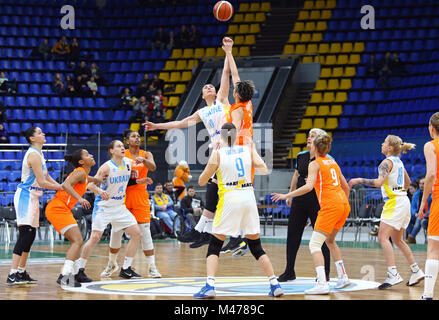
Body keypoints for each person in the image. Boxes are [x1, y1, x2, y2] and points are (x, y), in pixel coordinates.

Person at [143, 37, 233, 249]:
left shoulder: (222, 101)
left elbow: (226, 74)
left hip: (230, 148)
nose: (210, 87)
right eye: (206, 87)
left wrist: (228, 52)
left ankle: (224, 233)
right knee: (212, 190)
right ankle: (203, 231)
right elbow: (180, 123)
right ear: (202, 96)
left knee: (223, 192)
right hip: (217, 153)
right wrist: (157, 126)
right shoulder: (203, 112)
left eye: (212, 85)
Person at [194, 123, 283, 298]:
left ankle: (210, 286)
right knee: (256, 246)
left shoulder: (218, 153)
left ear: (221, 136)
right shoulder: (246, 149)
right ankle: (274, 283)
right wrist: (254, 148)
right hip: (248, 196)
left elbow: (201, 181)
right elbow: (264, 169)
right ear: (235, 135)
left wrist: (214, 165)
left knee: (215, 244)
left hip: (230, 197)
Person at [272, 133, 351, 295]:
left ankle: (322, 283)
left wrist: (287, 195)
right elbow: (347, 187)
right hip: (343, 204)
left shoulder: (315, 164)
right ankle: (343, 276)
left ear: (314, 147)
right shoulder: (332, 162)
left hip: (330, 206)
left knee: (314, 245)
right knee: (330, 241)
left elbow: (308, 187)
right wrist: (342, 202)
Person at [348, 135, 425, 290]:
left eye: (384, 142)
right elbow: (408, 183)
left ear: (389, 148)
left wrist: (358, 180)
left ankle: (393, 273)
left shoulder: (385, 163)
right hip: (403, 200)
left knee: (383, 237)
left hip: (394, 202)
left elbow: (377, 183)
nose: (382, 144)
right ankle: (416, 271)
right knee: (398, 240)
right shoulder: (399, 162)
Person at [75, 140, 143, 283]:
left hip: (119, 207)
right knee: (95, 237)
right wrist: (100, 190)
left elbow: (141, 163)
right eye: (118, 146)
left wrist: (142, 160)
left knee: (137, 234)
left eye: (123, 146)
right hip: (104, 207)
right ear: (111, 151)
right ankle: (79, 270)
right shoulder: (106, 167)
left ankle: (126, 269)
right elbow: (90, 184)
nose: (122, 148)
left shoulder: (128, 162)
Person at [101, 130, 161, 279]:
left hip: (140, 196)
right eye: (134, 136)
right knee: (117, 231)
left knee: (145, 232)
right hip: (123, 196)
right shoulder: (123, 154)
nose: (137, 139)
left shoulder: (146, 154)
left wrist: (144, 161)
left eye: (139, 137)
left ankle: (152, 267)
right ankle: (111, 263)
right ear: (127, 141)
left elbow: (153, 167)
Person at [6, 126, 63, 285]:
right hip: (25, 197)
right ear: (32, 138)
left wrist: (60, 185)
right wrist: (61, 187)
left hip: (33, 197)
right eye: (39, 132)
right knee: (25, 234)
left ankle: (21, 272)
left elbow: (47, 176)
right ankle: (12, 274)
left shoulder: (39, 154)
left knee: (30, 236)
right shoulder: (33, 155)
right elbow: (43, 182)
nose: (43, 134)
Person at [277, 128, 332, 282]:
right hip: (300, 200)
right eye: (308, 136)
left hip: (317, 200)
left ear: (320, 140)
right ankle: (289, 271)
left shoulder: (326, 158)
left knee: (321, 238)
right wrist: (291, 194)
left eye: (312, 136)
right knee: (292, 235)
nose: (309, 138)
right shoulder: (301, 156)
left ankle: (325, 273)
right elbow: (296, 175)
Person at [45, 149, 103, 287]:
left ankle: (76, 273)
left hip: (61, 209)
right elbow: (65, 185)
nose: (92, 155)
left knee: (77, 242)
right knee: (77, 241)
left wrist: (99, 179)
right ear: (82, 162)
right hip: (57, 209)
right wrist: (80, 199)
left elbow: (90, 179)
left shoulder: (84, 174)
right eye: (88, 155)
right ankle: (65, 275)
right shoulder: (80, 172)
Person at [417, 112, 439, 300]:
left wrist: (424, 201)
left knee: (433, 248)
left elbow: (431, 173)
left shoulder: (430, 145)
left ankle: (427, 294)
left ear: (431, 128)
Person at [406, 177, 432, 244]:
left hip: (428, 215)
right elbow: (412, 207)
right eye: (420, 183)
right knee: (405, 219)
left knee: (419, 219)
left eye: (423, 184)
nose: (421, 185)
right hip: (417, 214)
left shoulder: (431, 195)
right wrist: (414, 213)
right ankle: (411, 237)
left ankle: (411, 237)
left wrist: (425, 214)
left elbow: (432, 208)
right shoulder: (416, 194)